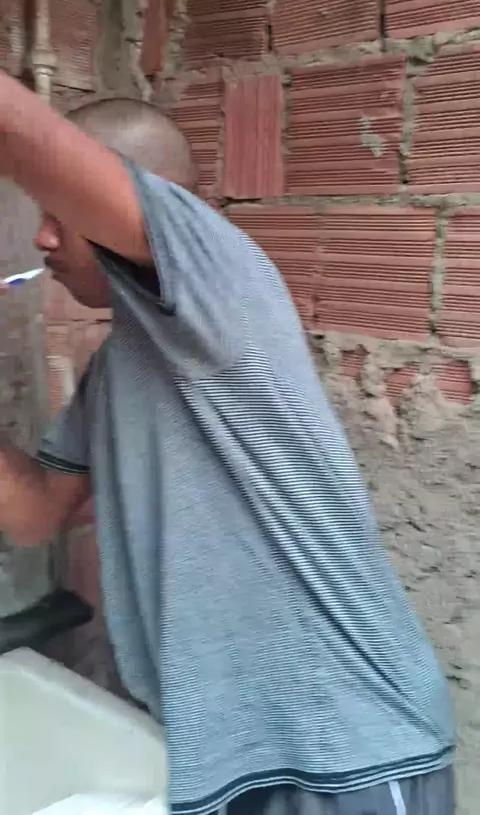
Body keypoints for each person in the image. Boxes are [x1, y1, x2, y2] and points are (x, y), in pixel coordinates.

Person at [0, 70, 455, 815]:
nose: (43, 236)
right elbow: (33, 514)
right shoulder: (115, 370)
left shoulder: (220, 272)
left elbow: (20, 129)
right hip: (222, 761)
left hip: (346, 754)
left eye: (61, 211)